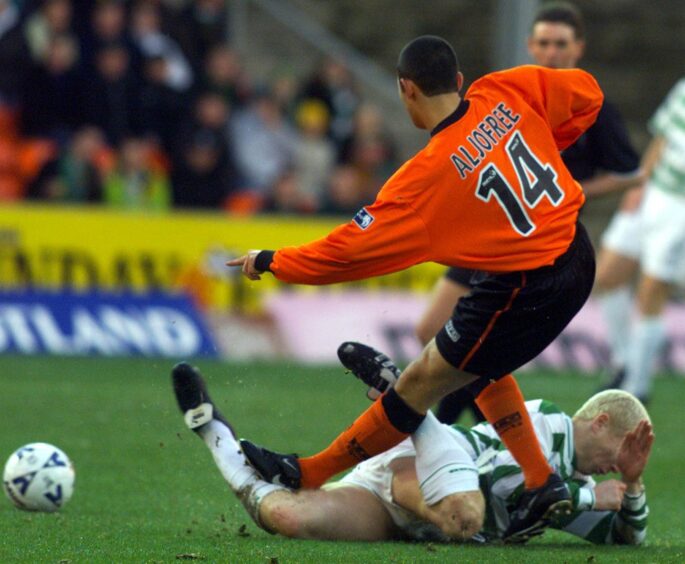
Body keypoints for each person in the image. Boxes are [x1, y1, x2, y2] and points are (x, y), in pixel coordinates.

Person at [227, 35, 603, 540]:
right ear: (460, 80)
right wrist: (547, 142)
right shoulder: (502, 92)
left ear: (406, 89)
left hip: (529, 282)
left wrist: (272, 261)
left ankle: (309, 472)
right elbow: (587, 93)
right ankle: (541, 481)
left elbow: (346, 252)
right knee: (477, 368)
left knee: (420, 380)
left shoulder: (424, 179)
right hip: (576, 249)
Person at [415, 2, 642, 425]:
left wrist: (572, 189)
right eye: (543, 43)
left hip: (536, 242)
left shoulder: (590, 103)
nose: (551, 52)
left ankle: (456, 430)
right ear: (530, 45)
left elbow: (630, 173)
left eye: (560, 44)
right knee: (430, 328)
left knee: (467, 343)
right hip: (490, 229)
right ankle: (486, 431)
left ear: (578, 49)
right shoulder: (516, 93)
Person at [171, 361, 653, 545]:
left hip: (412, 507)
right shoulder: (548, 426)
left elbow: (623, 538)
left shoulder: (577, 483)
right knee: (465, 519)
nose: (620, 459)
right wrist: (590, 498)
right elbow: (517, 488)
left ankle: (213, 431)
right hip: (421, 464)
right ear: (600, 422)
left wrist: (630, 487)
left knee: (285, 517)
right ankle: (413, 409)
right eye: (626, 446)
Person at [595, 78, 685, 402]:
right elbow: (662, 137)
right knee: (607, 274)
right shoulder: (683, 88)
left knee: (651, 290)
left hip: (680, 207)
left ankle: (637, 386)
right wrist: (638, 184)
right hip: (654, 191)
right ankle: (625, 359)